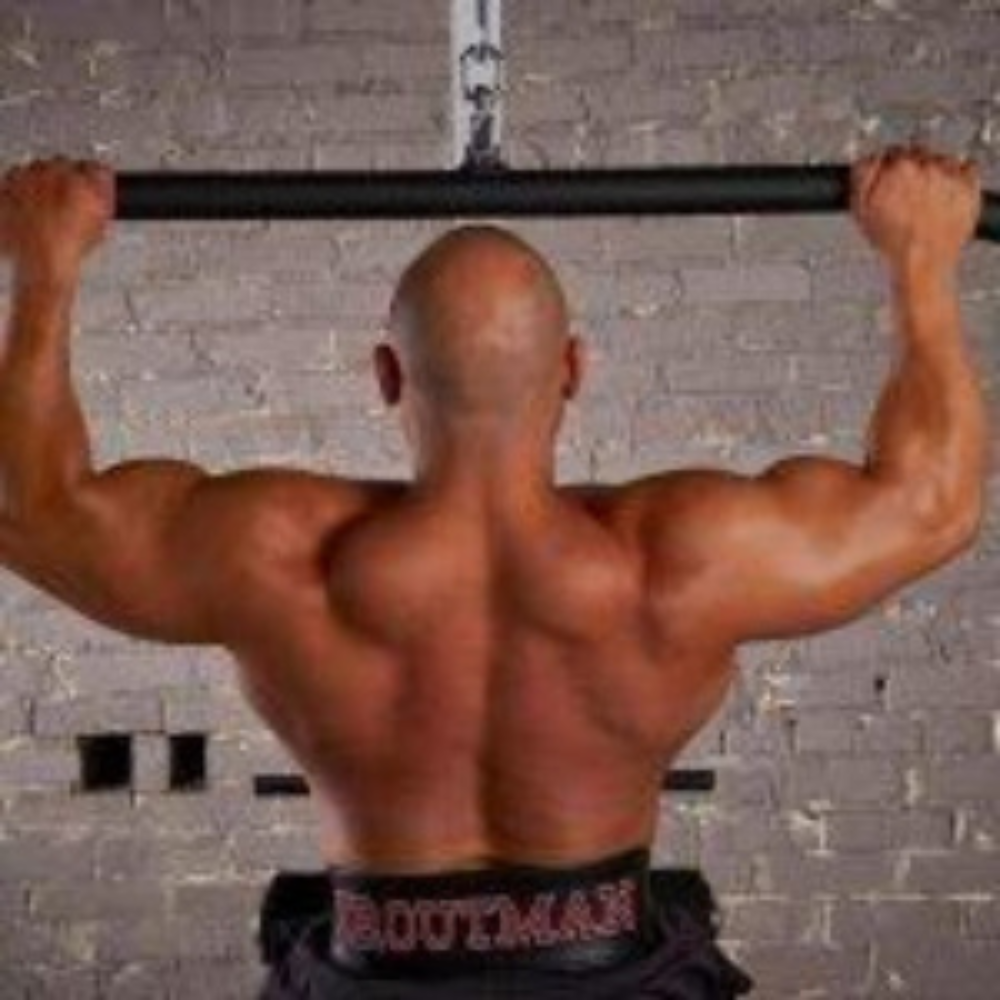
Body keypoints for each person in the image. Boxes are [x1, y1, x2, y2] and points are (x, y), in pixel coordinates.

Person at [0, 147, 987, 999]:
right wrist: (919, 262)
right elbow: (931, 500)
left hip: (368, 971)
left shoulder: (279, 555)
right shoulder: (680, 560)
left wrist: (45, 270)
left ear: (386, 375)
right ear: (572, 369)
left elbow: (28, 506)